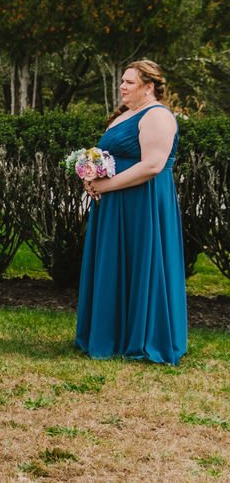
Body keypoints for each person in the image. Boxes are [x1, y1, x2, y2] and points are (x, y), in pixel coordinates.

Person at [76, 60, 187, 365]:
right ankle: (111, 334)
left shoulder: (158, 116)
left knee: (142, 262)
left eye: (130, 82)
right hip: (116, 204)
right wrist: (91, 175)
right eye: (122, 81)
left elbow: (152, 165)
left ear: (149, 87)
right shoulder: (127, 114)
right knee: (114, 263)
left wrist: (105, 186)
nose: (122, 87)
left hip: (143, 204)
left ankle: (143, 337)